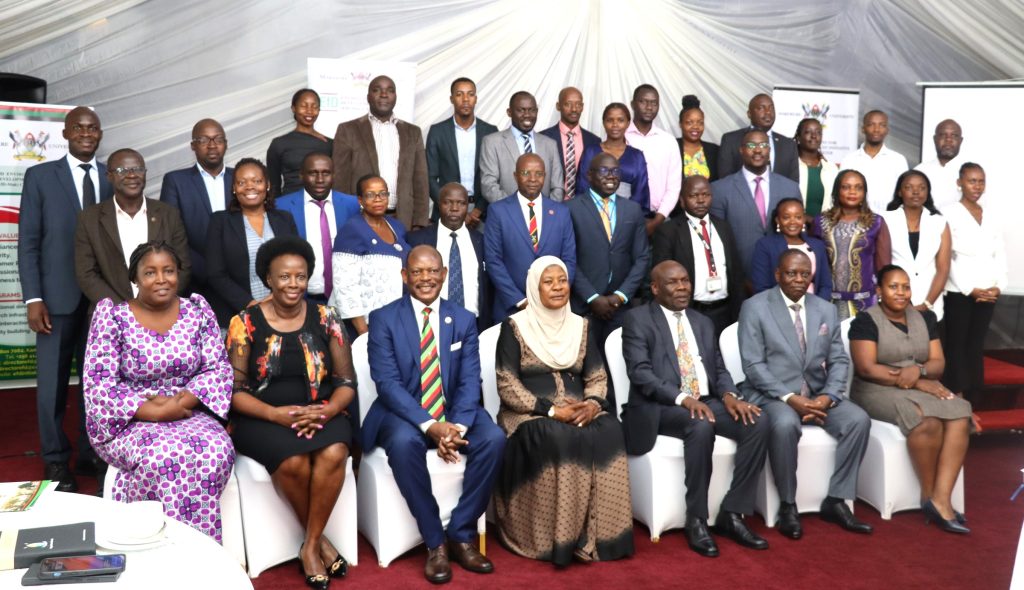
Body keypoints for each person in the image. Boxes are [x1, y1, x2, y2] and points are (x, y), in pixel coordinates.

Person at [365, 245, 505, 584]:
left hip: (454, 411)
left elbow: (472, 380)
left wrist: (455, 426)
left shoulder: (462, 319)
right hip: (405, 411)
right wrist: (431, 426)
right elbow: (387, 384)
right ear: (404, 276)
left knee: (494, 438)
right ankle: (435, 542)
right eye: (417, 272)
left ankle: (460, 532)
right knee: (402, 443)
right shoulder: (383, 319)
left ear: (443, 275)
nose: (425, 278)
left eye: (432, 272)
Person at [82, 241, 234, 541]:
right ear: (135, 279)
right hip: (129, 420)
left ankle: (200, 549)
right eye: (150, 272)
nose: (161, 279)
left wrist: (181, 402)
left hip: (189, 411)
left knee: (216, 451)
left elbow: (217, 367)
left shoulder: (198, 312)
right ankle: (158, 546)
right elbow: (99, 384)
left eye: (169, 271)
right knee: (163, 457)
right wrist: (156, 412)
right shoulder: (113, 318)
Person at [227, 236, 356, 587]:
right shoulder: (245, 322)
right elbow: (234, 393)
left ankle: (310, 546)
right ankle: (321, 543)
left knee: (334, 451)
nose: (293, 284)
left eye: (300, 276)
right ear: (268, 278)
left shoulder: (326, 316)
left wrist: (326, 412)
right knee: (294, 462)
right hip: (263, 416)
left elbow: (346, 382)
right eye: (284, 277)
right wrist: (277, 415)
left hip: (321, 411)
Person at [622, 261, 770, 556]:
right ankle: (697, 520)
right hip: (661, 405)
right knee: (700, 424)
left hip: (707, 399)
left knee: (758, 420)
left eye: (686, 281)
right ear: (655, 288)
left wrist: (729, 394)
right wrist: (682, 398)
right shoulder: (637, 320)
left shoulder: (702, 321)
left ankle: (733, 512)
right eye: (673, 282)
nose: (682, 287)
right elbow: (641, 373)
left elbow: (718, 367)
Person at [494, 256, 634, 565]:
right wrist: (552, 411)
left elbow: (597, 375)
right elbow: (506, 383)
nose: (558, 287)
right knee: (559, 436)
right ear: (535, 287)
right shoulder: (515, 326)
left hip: (580, 408)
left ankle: (602, 538)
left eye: (562, 280)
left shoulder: (581, 325)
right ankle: (563, 538)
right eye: (548, 281)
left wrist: (592, 404)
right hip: (529, 414)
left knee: (610, 430)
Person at [738, 249, 873, 538]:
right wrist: (790, 399)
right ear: (778, 275)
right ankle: (788, 504)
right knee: (786, 424)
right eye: (791, 273)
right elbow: (753, 365)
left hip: (816, 393)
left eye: (804, 274)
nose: (798, 279)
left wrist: (828, 397)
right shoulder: (755, 307)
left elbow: (838, 360)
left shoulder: (824, 308)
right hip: (773, 395)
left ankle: (837, 500)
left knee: (858, 420)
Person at [18, 106, 113, 491]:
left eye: (93, 128)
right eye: (80, 128)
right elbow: (28, 243)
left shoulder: (112, 176)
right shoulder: (40, 176)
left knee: (97, 383)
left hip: (101, 302)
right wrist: (33, 298)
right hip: (54, 301)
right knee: (53, 386)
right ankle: (56, 460)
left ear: (100, 133)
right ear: (66, 132)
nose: (87, 134)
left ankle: (92, 452)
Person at [849, 264, 972, 535]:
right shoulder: (866, 321)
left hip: (922, 383)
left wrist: (921, 370)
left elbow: (938, 362)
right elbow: (867, 368)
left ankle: (941, 499)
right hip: (875, 388)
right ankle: (929, 496)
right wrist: (917, 380)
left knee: (960, 413)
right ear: (879, 291)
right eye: (893, 287)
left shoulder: (925, 319)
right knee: (926, 421)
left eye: (906, 287)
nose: (901, 292)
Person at [75, 149, 191, 310]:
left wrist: (158, 300)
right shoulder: (89, 218)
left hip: (162, 312)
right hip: (111, 315)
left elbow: (183, 266)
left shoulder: (168, 214)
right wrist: (125, 309)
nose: (132, 175)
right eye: (122, 170)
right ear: (109, 176)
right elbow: (86, 274)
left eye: (138, 169)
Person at [567, 153, 649, 353]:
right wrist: (592, 297)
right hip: (584, 306)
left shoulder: (632, 210)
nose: (611, 176)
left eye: (615, 171)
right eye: (604, 170)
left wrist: (620, 296)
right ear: (589, 175)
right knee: (586, 369)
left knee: (621, 368)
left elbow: (642, 257)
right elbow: (568, 259)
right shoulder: (570, 209)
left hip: (620, 307)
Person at [206, 158, 299, 326]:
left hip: (285, 309)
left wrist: (275, 300)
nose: (250, 186)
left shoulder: (285, 219)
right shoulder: (219, 222)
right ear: (234, 188)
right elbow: (215, 274)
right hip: (239, 314)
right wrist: (252, 305)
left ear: (267, 185)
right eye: (242, 182)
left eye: (257, 181)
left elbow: (298, 263)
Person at [483, 154, 576, 323]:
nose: (533, 179)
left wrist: (553, 296)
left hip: (552, 310)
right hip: (510, 309)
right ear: (515, 176)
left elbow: (568, 258)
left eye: (539, 174)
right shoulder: (498, 211)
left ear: (545, 177)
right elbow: (493, 261)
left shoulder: (561, 212)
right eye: (526, 173)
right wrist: (520, 300)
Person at [332, 75, 430, 230]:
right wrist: (344, 220)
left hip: (402, 219)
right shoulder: (348, 130)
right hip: (360, 220)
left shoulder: (413, 132)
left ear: (395, 97)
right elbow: (340, 182)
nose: (384, 94)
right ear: (368, 97)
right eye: (377, 90)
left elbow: (420, 181)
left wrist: (419, 222)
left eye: (390, 91)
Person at [943, 163, 1006, 399]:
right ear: (959, 183)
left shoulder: (990, 214)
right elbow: (947, 258)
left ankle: (973, 398)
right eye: (971, 181)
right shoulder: (948, 212)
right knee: (957, 345)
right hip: (960, 292)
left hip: (988, 292)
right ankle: (957, 398)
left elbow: (999, 253)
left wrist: (999, 286)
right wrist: (970, 289)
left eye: (980, 181)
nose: (976, 186)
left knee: (975, 345)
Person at [652, 176, 743, 337]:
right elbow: (660, 276)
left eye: (705, 195)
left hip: (726, 312)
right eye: (694, 196)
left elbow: (736, 272)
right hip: (690, 311)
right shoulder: (669, 231)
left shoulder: (723, 227)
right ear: (682, 201)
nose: (701, 200)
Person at [160, 119, 234, 316]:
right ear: (193, 145)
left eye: (217, 139)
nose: (212, 145)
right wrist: (210, 271)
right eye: (203, 140)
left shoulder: (241, 178)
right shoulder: (175, 181)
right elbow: (171, 233)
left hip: (237, 281)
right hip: (195, 281)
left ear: (226, 144)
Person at [710, 129, 802, 274]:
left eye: (763, 145)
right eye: (751, 146)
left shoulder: (790, 188)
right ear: (741, 150)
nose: (758, 150)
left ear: (769, 150)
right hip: (738, 275)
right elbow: (716, 240)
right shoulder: (720, 189)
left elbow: (798, 236)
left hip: (783, 275)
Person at [274, 153, 361, 306]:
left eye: (326, 173)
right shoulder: (281, 206)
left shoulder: (352, 204)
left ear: (334, 175)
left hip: (347, 297)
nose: (320, 180)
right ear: (301, 176)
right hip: (302, 299)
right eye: (313, 173)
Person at [330, 175, 409, 335]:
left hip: (394, 321)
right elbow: (344, 287)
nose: (378, 199)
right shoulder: (352, 230)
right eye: (370, 195)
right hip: (363, 326)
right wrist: (363, 333)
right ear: (360, 200)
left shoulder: (396, 226)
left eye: (383, 193)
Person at [407, 183, 491, 329]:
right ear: (439, 204)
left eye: (461, 203)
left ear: (468, 206)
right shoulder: (417, 240)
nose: (454, 208)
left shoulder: (481, 241)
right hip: (430, 324)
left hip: (474, 324)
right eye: (448, 202)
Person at [813, 170, 892, 321]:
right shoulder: (820, 222)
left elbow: (884, 267)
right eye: (846, 187)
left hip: (865, 303)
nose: (852, 192)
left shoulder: (876, 222)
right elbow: (813, 262)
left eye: (858, 187)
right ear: (837, 191)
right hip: (827, 302)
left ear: (864, 193)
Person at [425, 77, 499, 227]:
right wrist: (450, 208)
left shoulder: (490, 131)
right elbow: (430, 178)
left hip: (483, 214)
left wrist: (478, 210)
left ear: (476, 98)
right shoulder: (437, 132)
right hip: (446, 212)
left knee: (482, 250)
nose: (465, 99)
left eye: (470, 94)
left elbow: (495, 177)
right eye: (459, 94)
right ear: (452, 99)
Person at [882, 170, 951, 320]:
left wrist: (927, 303)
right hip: (894, 303)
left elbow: (943, 269)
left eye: (922, 187)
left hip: (930, 304)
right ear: (900, 192)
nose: (916, 192)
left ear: (928, 192)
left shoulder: (939, 222)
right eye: (909, 187)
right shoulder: (885, 220)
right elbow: (882, 265)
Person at [480, 91, 565, 203]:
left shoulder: (550, 144)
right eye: (521, 110)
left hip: (544, 217)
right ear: (509, 112)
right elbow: (488, 185)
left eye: (532, 110)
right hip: (508, 216)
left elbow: (558, 187)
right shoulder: (492, 142)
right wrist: (514, 210)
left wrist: (546, 211)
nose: (527, 115)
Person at [626, 84, 682, 235]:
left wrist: (658, 220)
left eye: (654, 102)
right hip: (626, 219)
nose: (649, 107)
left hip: (662, 219)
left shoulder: (668, 141)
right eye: (643, 101)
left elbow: (674, 186)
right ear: (633, 104)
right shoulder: (621, 137)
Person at [750, 198, 832, 300]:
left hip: (814, 307)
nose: (793, 222)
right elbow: (761, 286)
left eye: (798, 217)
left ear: (803, 219)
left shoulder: (817, 245)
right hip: (777, 309)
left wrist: (818, 308)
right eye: (786, 217)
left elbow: (826, 285)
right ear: (778, 220)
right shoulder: (765, 245)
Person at [575, 103, 651, 212]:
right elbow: (582, 188)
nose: (615, 124)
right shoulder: (591, 152)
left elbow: (641, 193)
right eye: (610, 120)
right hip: (593, 215)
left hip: (627, 217)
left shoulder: (637, 156)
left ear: (628, 123)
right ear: (604, 123)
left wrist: (628, 217)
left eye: (620, 120)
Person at [267, 88, 334, 199]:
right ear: (293, 108)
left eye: (314, 106)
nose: (309, 111)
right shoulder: (279, 144)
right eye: (304, 106)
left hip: (321, 205)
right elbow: (274, 186)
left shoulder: (329, 144)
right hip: (289, 205)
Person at [837, 111, 909, 213]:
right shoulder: (849, 160)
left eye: (882, 125)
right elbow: (839, 193)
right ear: (863, 129)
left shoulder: (898, 160)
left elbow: (905, 194)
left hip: (890, 221)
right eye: (871, 125)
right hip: (857, 221)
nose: (876, 129)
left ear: (887, 130)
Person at [718, 94, 799, 182]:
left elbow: (793, 184)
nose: (768, 112)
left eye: (771, 108)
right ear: (749, 114)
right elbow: (725, 179)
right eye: (761, 108)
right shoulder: (731, 140)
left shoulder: (789, 145)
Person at [539, 86, 601, 197]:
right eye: (568, 104)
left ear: (582, 107)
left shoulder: (594, 141)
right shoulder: (543, 138)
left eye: (578, 104)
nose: (574, 109)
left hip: (584, 205)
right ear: (558, 106)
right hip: (551, 203)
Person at [915, 119, 966, 212]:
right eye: (943, 135)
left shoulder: (971, 174)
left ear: (961, 141)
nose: (948, 140)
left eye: (954, 135)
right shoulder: (919, 172)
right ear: (935, 139)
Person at [794, 118, 838, 219]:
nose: (814, 136)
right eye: (808, 132)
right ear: (799, 137)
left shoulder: (831, 168)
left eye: (818, 132)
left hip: (824, 229)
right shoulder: (790, 165)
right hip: (794, 227)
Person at [677, 94, 719, 182]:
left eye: (700, 122)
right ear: (680, 124)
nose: (695, 126)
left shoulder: (715, 150)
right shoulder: (672, 147)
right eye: (689, 122)